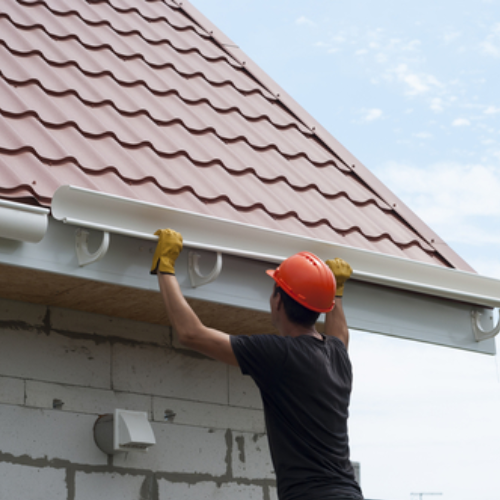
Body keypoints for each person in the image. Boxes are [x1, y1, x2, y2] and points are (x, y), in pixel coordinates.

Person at [151, 229, 364, 500]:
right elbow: (340, 333)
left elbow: (191, 333)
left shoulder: (280, 354)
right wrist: (337, 290)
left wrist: (165, 267)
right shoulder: (337, 355)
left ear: (278, 301)